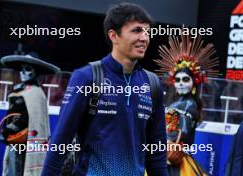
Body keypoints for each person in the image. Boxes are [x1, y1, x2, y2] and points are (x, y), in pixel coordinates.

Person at [42, 3, 167, 176]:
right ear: (114, 35)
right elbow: (60, 142)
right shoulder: (87, 77)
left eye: (147, 32)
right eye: (137, 30)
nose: (144, 38)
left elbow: (157, 153)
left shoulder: (153, 84)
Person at [155, 34, 219, 176]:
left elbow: (179, 132)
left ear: (194, 82)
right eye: (177, 80)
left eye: (185, 79)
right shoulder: (176, 103)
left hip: (174, 159)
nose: (181, 83)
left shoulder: (190, 105)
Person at [0, 54, 60, 176]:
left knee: (19, 170)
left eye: (27, 69)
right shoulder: (20, 91)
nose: (22, 72)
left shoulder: (36, 94)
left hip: (24, 144)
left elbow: (28, 119)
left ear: (35, 72)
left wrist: (8, 131)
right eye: (21, 69)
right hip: (14, 142)